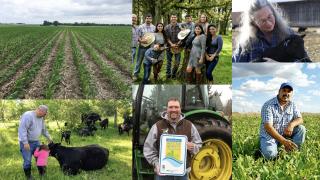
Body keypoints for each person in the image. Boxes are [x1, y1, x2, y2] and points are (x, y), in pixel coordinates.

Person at [143, 97, 202, 180]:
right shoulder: (157, 126)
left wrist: (193, 147)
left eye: (176, 107)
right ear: (166, 109)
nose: (173, 109)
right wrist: (156, 163)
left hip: (183, 173)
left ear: (180, 109)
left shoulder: (189, 125)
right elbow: (148, 149)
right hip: (162, 173)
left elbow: (198, 145)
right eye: (171, 107)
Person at [232, 0, 309, 62]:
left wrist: (278, 66)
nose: (269, 24)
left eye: (269, 17)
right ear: (254, 22)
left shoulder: (289, 34)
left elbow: (304, 62)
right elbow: (236, 68)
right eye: (262, 21)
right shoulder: (247, 42)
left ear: (274, 13)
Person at [259, 83, 306, 159]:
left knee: (301, 128)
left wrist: (291, 125)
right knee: (270, 156)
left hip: (285, 133)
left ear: (291, 93)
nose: (286, 93)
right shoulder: (268, 105)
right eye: (284, 91)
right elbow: (268, 127)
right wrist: (284, 141)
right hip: (270, 136)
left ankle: (294, 150)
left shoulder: (292, 104)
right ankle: (265, 147)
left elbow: (300, 119)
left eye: (289, 92)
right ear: (279, 91)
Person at [18, 105, 52, 180]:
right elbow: (22, 129)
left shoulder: (41, 117)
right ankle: (28, 176)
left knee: (41, 156)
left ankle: (42, 173)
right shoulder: (28, 115)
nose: (45, 115)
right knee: (27, 160)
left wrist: (49, 137)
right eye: (45, 114)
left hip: (36, 141)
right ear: (40, 111)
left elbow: (43, 129)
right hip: (27, 142)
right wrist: (25, 142)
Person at [133, 14, 156, 80]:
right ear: (145, 19)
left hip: (150, 48)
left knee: (149, 61)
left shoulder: (154, 27)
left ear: (151, 19)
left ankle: (147, 76)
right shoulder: (140, 27)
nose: (148, 20)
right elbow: (137, 36)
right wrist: (142, 41)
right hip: (142, 47)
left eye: (149, 18)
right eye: (147, 18)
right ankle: (135, 75)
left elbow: (154, 37)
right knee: (139, 61)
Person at [165, 13, 181, 79]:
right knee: (169, 62)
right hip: (169, 47)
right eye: (172, 17)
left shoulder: (180, 26)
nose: (173, 18)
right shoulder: (167, 27)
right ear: (170, 18)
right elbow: (166, 37)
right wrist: (171, 44)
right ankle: (168, 75)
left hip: (178, 47)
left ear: (176, 18)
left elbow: (183, 36)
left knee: (177, 62)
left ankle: (174, 74)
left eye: (175, 17)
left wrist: (178, 44)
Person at [178, 14, 195, 79]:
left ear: (191, 18)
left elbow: (192, 33)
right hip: (185, 38)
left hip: (191, 39)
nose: (188, 19)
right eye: (186, 18)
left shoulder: (193, 24)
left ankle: (185, 45)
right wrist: (181, 28)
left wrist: (186, 41)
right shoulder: (184, 23)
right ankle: (183, 45)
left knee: (191, 36)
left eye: (189, 18)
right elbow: (179, 24)